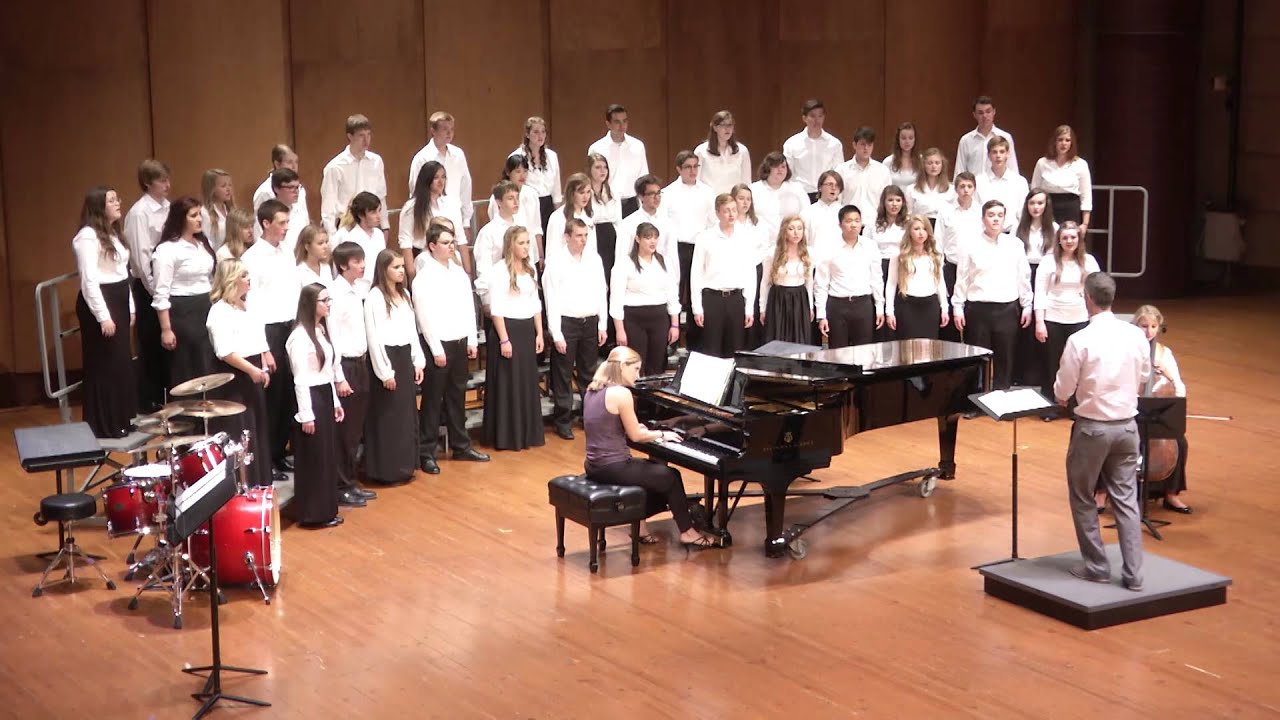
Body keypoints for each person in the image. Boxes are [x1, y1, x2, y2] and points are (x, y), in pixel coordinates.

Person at [1053, 271, 1148, 591]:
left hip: (1092, 430)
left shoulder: (1080, 339)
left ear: (1088, 298)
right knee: (1126, 499)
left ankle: (1097, 567)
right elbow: (1144, 377)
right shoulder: (1135, 335)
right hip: (1127, 428)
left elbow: (1064, 388)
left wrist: (1062, 397)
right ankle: (1134, 575)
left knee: (1083, 496)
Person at [583, 346, 718, 549]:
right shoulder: (621, 393)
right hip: (613, 466)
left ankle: (640, 528)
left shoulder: (593, 389)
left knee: (652, 474)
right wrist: (662, 434)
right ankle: (688, 532)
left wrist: (642, 429)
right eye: (636, 369)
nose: (638, 375)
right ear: (622, 367)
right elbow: (636, 436)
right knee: (671, 477)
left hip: (594, 466)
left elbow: (610, 426)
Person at [411, 224, 490, 474]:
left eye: (452, 241)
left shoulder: (458, 273)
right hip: (438, 344)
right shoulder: (424, 277)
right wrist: (436, 349)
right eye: (445, 242)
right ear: (432, 246)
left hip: (459, 340)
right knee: (433, 400)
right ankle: (426, 451)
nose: (451, 246)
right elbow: (424, 316)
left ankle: (461, 445)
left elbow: (468, 308)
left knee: (457, 396)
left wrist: (472, 340)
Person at [241, 199, 301, 478]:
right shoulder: (252, 258)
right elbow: (251, 305)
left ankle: (279, 451)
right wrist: (264, 348)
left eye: (288, 222)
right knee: (272, 398)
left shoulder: (286, 251)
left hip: (290, 326)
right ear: (266, 223)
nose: (287, 228)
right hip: (268, 331)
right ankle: (266, 458)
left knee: (288, 393)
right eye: (282, 223)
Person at [73, 186, 137, 438]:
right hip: (100, 301)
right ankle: (103, 424)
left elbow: (123, 272)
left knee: (120, 362)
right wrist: (103, 316)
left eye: (117, 198)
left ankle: (121, 418)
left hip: (119, 297)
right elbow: (89, 280)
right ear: (99, 206)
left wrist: (130, 306)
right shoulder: (87, 237)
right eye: (111, 200)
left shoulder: (113, 233)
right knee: (105, 364)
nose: (118, 203)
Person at [206, 259, 274, 488]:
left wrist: (264, 360)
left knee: (256, 428)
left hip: (253, 370)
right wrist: (252, 370)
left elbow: (257, 336)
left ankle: (259, 481)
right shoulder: (219, 312)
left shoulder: (248, 305)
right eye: (244, 275)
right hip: (234, 376)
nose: (249, 279)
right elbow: (225, 352)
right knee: (238, 428)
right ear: (231, 279)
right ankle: (239, 484)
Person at [952, 200, 1032, 390]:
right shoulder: (969, 244)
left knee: (1005, 357)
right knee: (977, 357)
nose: (996, 219)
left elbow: (1023, 276)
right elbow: (962, 278)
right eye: (991, 215)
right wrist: (957, 307)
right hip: (978, 309)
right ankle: (975, 397)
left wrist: (1027, 304)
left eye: (999, 215)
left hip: (1007, 308)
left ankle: (1001, 395)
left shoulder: (1015, 244)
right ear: (983, 219)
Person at [481, 226, 546, 451]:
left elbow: (535, 304)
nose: (526, 247)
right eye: (521, 243)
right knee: (508, 383)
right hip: (507, 330)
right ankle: (507, 435)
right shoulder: (499, 271)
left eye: (528, 242)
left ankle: (527, 433)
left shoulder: (529, 269)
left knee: (526, 382)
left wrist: (539, 333)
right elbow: (497, 308)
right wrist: (504, 340)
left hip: (526, 330)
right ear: (511, 245)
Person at [286, 283, 346, 527]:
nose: (328, 304)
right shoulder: (299, 337)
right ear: (311, 304)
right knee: (314, 457)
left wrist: (335, 401)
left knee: (326, 455)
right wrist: (306, 414)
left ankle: (327, 510)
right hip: (310, 399)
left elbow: (327, 372)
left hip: (324, 394)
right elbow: (300, 378)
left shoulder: (320, 330)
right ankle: (312, 513)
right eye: (324, 300)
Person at [364, 249, 425, 484]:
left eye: (402, 266)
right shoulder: (375, 297)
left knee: (405, 416)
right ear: (384, 270)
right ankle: (386, 470)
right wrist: (385, 372)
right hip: (387, 359)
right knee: (387, 416)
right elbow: (374, 338)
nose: (401, 271)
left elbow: (411, 330)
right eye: (396, 267)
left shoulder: (405, 294)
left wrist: (417, 360)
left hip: (404, 356)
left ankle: (405, 466)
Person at [544, 219, 608, 440]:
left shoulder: (594, 259)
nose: (583, 240)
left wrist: (602, 324)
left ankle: (588, 416)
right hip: (566, 322)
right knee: (562, 373)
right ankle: (563, 420)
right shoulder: (556, 262)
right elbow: (551, 299)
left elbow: (601, 292)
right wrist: (556, 333)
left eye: (586, 235)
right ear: (567, 237)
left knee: (588, 372)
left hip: (589, 321)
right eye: (579, 235)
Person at [327, 241, 378, 504]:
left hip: (360, 363)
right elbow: (333, 337)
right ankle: (340, 486)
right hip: (345, 366)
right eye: (357, 261)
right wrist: (339, 377)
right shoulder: (334, 294)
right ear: (343, 265)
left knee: (356, 430)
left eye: (362, 260)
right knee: (345, 432)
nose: (362, 265)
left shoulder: (357, 291)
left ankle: (351, 481)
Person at [1130, 305, 1192, 513]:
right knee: (1111, 440)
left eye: (1153, 326)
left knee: (1180, 443)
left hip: (1156, 416)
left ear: (1159, 328)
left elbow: (1179, 388)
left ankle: (1170, 494)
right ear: (1135, 326)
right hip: (1130, 412)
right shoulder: (1126, 350)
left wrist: (1169, 377)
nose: (1148, 331)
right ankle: (1102, 493)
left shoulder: (1164, 354)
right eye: (1143, 326)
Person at [1035, 222, 1099, 421]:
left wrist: (1094, 319)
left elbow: (1096, 290)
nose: (1069, 241)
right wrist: (1039, 322)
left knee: (1077, 364)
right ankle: (1050, 406)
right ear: (1059, 240)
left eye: (1073, 237)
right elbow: (1040, 292)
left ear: (1079, 239)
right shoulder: (1048, 262)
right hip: (1053, 318)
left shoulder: (1089, 261)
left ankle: (1074, 406)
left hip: (1079, 318)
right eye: (1065, 238)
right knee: (1051, 363)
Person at [151, 196, 217, 387]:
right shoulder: (167, 250)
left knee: (208, 362)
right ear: (180, 218)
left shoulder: (203, 244)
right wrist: (166, 329)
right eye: (193, 215)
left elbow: (210, 278)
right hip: (183, 311)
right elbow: (161, 293)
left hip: (206, 306)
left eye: (200, 214)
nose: (199, 219)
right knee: (188, 366)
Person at [124, 158, 171, 410]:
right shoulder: (139, 213)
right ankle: (149, 400)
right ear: (147, 183)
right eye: (161, 181)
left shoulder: (167, 207)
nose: (167, 185)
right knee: (151, 342)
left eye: (167, 179)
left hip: (166, 281)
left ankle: (168, 395)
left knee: (168, 347)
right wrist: (156, 292)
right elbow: (141, 258)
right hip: (148, 284)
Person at [611, 222, 680, 376]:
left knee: (657, 364)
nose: (652, 241)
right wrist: (620, 330)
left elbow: (672, 295)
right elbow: (616, 301)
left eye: (655, 237)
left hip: (659, 318)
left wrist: (675, 325)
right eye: (648, 237)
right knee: (635, 364)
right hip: (634, 319)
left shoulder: (665, 262)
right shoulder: (624, 264)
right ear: (638, 239)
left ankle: (655, 392)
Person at [691, 194, 755, 358]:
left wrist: (749, 307)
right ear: (717, 213)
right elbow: (696, 274)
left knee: (735, 350)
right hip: (713, 299)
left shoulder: (745, 237)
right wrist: (697, 307)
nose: (732, 214)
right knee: (711, 350)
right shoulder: (705, 238)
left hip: (736, 299)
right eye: (727, 211)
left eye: (734, 210)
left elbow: (750, 274)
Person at [665, 150, 717, 337]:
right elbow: (665, 223)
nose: (693, 171)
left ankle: (697, 338)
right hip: (677, 247)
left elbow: (712, 221)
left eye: (696, 166)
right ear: (679, 169)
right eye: (688, 167)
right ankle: (673, 337)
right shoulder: (668, 193)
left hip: (699, 247)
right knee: (676, 291)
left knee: (699, 291)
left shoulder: (707, 192)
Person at [815, 206, 883, 348]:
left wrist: (879, 307)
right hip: (837, 305)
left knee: (864, 351)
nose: (853, 225)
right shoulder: (829, 247)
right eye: (849, 221)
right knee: (838, 352)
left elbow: (876, 279)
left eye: (857, 221)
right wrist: (821, 315)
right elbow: (821, 282)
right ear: (840, 225)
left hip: (863, 304)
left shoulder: (870, 246)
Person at [1014, 189, 1058, 387]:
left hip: (1044, 274)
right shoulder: (1019, 226)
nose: (1036, 207)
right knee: (1023, 324)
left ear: (1046, 205)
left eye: (1040, 203)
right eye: (1032, 203)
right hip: (1022, 275)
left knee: (1040, 324)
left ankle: (1040, 376)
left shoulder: (1054, 228)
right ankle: (1021, 376)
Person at [408, 111, 474, 238]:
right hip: (431, 218)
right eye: (444, 129)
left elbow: (466, 187)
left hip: (455, 217)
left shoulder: (458, 155)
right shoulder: (422, 157)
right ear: (433, 131)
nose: (449, 133)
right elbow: (415, 190)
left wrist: (466, 221)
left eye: (451, 129)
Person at [321, 114, 389, 233]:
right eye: (361, 135)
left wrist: (385, 226)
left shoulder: (376, 161)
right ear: (350, 136)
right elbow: (328, 208)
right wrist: (332, 236)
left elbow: (381, 196)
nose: (366, 140)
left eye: (368, 135)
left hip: (372, 224)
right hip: (346, 225)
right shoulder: (335, 167)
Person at [935, 171, 982, 342]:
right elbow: (938, 241)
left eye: (969, 186)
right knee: (950, 314)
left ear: (974, 188)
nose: (966, 190)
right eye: (962, 186)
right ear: (956, 189)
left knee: (970, 311)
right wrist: (939, 267)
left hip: (974, 268)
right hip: (951, 267)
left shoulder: (981, 212)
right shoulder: (946, 211)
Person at [885, 215, 949, 340]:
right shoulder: (899, 255)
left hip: (930, 305)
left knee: (929, 346)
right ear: (909, 231)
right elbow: (891, 284)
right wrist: (889, 311)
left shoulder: (935, 255)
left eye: (924, 229)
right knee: (908, 346)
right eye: (916, 229)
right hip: (908, 306)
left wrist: (945, 307)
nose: (921, 233)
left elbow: (940, 282)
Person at [400, 161, 466, 278]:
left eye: (443, 177)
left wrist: (467, 270)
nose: (441, 181)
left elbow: (460, 238)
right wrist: (411, 273)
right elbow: (405, 242)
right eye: (436, 178)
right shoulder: (411, 207)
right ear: (427, 180)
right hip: (423, 258)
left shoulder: (451, 204)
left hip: (449, 258)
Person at [759, 215, 815, 345]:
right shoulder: (772, 253)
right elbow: (765, 282)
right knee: (778, 339)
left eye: (799, 228)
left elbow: (809, 282)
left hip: (800, 299)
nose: (796, 233)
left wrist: (810, 307)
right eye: (791, 229)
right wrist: (762, 308)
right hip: (778, 299)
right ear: (784, 231)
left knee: (799, 340)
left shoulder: (809, 253)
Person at [588, 104, 649, 217]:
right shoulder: (597, 148)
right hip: (607, 203)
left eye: (624, 121)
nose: (622, 126)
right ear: (608, 124)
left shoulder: (637, 146)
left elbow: (644, 177)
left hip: (632, 203)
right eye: (617, 122)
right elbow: (592, 180)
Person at [1031, 124, 1093, 229]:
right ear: (1054, 142)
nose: (1064, 143)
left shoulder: (1081, 164)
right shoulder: (1042, 163)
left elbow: (1086, 196)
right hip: (1048, 208)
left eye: (1067, 140)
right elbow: (1034, 191)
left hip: (1071, 208)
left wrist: (1085, 224)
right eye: (1060, 140)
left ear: (1072, 143)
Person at [486, 154, 545, 263]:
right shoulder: (498, 196)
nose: (522, 175)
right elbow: (496, 224)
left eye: (525, 171)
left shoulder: (532, 193)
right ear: (508, 172)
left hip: (530, 251)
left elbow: (536, 226)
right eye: (518, 171)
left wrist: (540, 254)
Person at [783, 99, 845, 202]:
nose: (817, 120)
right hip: (800, 195)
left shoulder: (834, 144)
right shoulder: (791, 143)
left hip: (825, 195)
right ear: (804, 118)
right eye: (812, 116)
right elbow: (787, 174)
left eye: (820, 116)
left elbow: (838, 174)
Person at [836, 127, 893, 234]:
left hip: (875, 226)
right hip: (849, 226)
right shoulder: (842, 170)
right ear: (854, 145)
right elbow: (837, 200)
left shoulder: (882, 170)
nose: (866, 148)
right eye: (862, 144)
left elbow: (887, 199)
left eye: (869, 145)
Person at [511, 116, 562, 233]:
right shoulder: (517, 156)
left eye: (543, 132)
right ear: (527, 134)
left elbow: (556, 189)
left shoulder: (552, 156)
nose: (540, 135)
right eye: (536, 132)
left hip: (548, 204)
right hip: (527, 204)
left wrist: (558, 214)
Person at [614, 175, 675, 266]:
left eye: (658, 193)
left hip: (662, 271)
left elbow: (672, 255)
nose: (657, 197)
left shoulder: (667, 223)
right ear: (641, 196)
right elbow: (622, 257)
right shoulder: (628, 224)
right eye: (651, 194)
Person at [954, 95, 1019, 178]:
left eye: (988, 112)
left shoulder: (1005, 137)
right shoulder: (966, 140)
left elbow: (1012, 167)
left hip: (998, 184)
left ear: (994, 112)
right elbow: (959, 171)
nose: (984, 116)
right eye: (980, 113)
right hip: (973, 185)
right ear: (974, 115)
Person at [749, 152, 809, 239]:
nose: (780, 170)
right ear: (767, 168)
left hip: (790, 240)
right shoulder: (753, 190)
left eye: (783, 167)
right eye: (776, 166)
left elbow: (806, 216)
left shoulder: (797, 189)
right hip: (761, 241)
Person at [332, 191, 385, 286]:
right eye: (373, 212)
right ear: (361, 215)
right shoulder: (350, 238)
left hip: (378, 285)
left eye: (379, 211)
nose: (378, 216)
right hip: (359, 286)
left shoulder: (379, 234)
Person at [976, 136, 1029, 232]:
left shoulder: (1020, 182)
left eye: (1002, 152)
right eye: (994, 152)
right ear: (989, 155)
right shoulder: (979, 181)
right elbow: (976, 211)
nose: (998, 156)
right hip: (985, 234)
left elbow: (1023, 213)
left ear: (1007, 154)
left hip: (1012, 234)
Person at [694, 110, 752, 194]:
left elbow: (746, 181)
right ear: (715, 127)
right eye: (723, 125)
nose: (727, 129)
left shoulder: (742, 150)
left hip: (733, 199)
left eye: (730, 125)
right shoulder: (701, 151)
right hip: (710, 199)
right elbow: (696, 181)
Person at [254, 167, 310, 250]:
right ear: (277, 189)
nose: (296, 191)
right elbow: (260, 244)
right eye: (291, 187)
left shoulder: (301, 213)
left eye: (297, 187)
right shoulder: (266, 213)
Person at [545, 173, 596, 260]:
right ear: (572, 193)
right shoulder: (557, 217)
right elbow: (552, 252)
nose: (586, 197)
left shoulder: (589, 215)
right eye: (581, 192)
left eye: (588, 192)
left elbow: (593, 248)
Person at [587, 153, 621, 276]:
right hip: (593, 234)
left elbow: (618, 220)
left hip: (611, 234)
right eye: (598, 167)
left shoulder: (613, 192)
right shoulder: (585, 192)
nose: (603, 171)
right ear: (589, 170)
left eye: (605, 167)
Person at [251, 144, 309, 216]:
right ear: (277, 164)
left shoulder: (300, 189)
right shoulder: (265, 192)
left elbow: (305, 217)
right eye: (289, 162)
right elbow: (260, 221)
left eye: (296, 162)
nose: (294, 167)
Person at [906, 148, 955, 227]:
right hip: (921, 228)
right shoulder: (911, 190)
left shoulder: (951, 189)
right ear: (923, 165)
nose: (933, 166)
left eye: (937, 163)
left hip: (944, 228)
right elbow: (908, 215)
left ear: (942, 165)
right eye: (929, 163)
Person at [802, 170, 845, 259]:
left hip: (840, 261)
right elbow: (802, 242)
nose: (834, 188)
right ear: (820, 187)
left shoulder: (845, 213)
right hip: (814, 261)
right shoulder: (808, 212)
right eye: (830, 184)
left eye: (837, 185)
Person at [199, 169, 235, 252]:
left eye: (230, 185)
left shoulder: (231, 210)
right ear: (211, 189)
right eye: (223, 186)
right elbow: (206, 243)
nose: (228, 189)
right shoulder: (205, 213)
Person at [884, 122, 919, 191]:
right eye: (903, 138)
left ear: (915, 139)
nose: (907, 141)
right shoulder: (888, 162)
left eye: (910, 138)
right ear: (898, 139)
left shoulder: (922, 161)